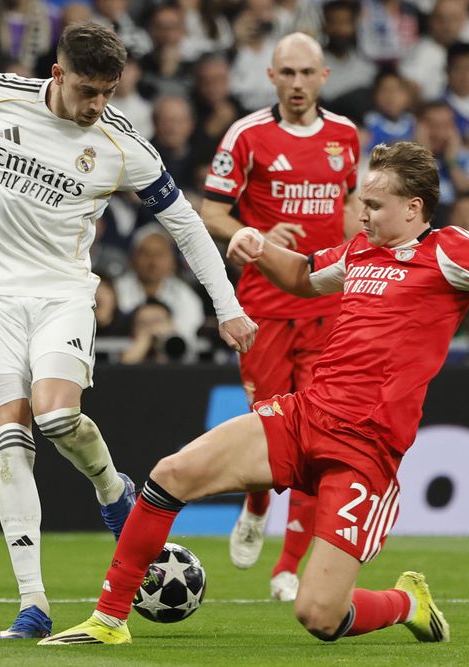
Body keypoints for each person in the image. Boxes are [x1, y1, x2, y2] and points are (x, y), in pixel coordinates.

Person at [40, 141, 469, 647]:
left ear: (413, 207)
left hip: (363, 451)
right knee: (171, 473)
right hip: (305, 417)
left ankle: (406, 603)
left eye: (373, 205)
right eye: (361, 203)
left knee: (318, 615)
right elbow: (299, 278)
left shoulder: (448, 250)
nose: (361, 214)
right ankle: (109, 618)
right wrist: (257, 245)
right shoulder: (357, 252)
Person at [0, 22, 256, 639]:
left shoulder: (121, 143)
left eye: (108, 91)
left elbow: (186, 224)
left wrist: (227, 305)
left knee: (56, 419)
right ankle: (34, 604)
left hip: (62, 293)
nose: (97, 105)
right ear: (58, 75)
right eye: (87, 90)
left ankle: (113, 489)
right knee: (10, 439)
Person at [201, 32, 359, 601]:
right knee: (271, 431)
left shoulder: (345, 136)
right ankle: (258, 500)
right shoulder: (247, 136)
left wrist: (363, 262)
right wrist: (256, 234)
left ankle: (288, 566)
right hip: (264, 307)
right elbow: (210, 210)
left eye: (306, 73)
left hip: (326, 307)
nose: (296, 84)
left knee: (321, 438)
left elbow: (345, 210)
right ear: (271, 76)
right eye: (286, 73)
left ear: (323, 77)